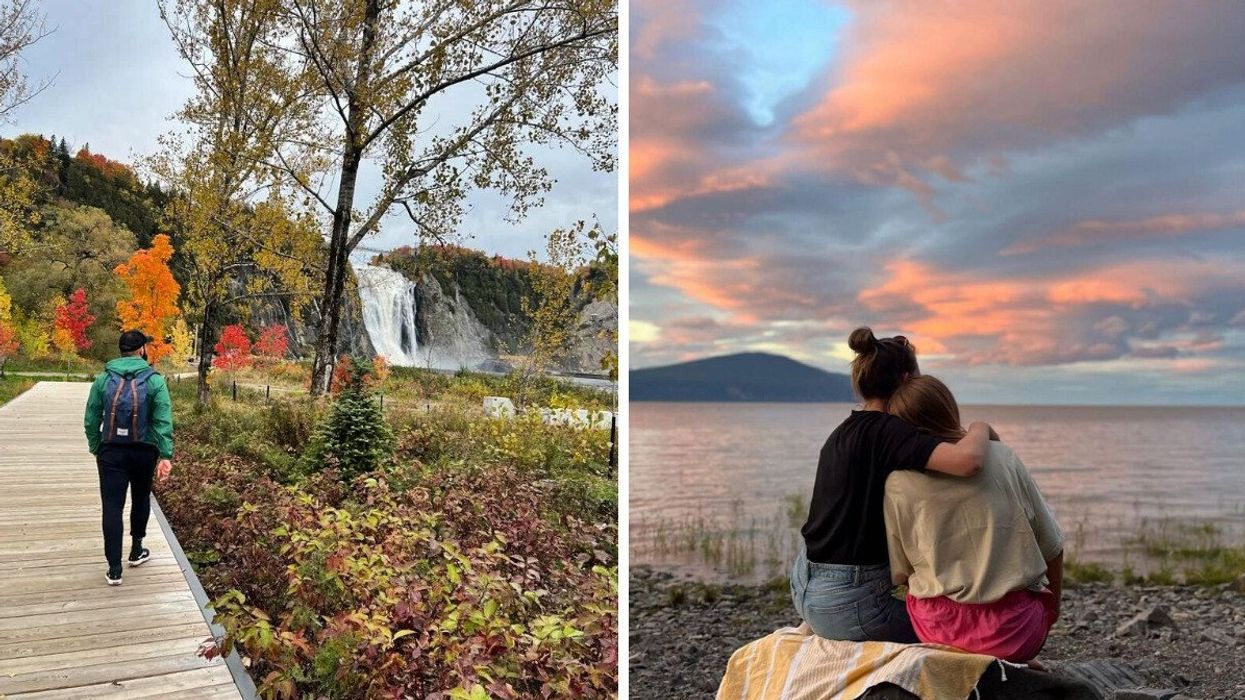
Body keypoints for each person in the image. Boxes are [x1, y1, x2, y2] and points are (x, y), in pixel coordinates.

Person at [793, 328, 995, 643]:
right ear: (905, 380)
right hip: (851, 604)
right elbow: (967, 462)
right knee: (963, 633)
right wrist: (981, 427)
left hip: (804, 587)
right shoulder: (888, 431)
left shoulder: (844, 431)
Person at [883, 375, 1063, 662]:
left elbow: (902, 573)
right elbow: (1052, 546)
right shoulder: (1004, 457)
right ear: (950, 410)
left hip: (936, 633)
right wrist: (1052, 612)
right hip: (1014, 634)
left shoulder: (896, 482)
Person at [83, 330, 174, 586]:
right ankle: (136, 550)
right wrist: (165, 455)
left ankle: (114, 569)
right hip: (145, 451)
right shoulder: (155, 381)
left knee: (112, 506)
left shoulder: (103, 379)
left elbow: (91, 417)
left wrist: (96, 446)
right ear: (142, 350)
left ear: (121, 350)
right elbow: (163, 419)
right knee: (141, 497)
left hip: (111, 450)